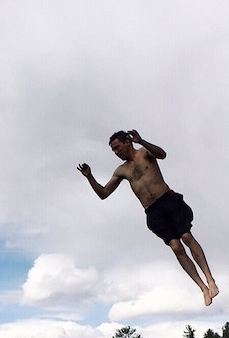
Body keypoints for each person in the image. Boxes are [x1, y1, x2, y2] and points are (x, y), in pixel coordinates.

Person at [77, 129, 220, 306]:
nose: (116, 152)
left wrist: (142, 141)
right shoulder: (121, 171)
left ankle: (210, 279)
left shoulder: (144, 153)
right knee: (176, 248)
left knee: (186, 236)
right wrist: (89, 177)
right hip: (153, 211)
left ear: (127, 142)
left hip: (168, 200)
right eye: (113, 150)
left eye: (117, 147)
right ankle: (203, 289)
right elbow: (104, 193)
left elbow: (163, 154)